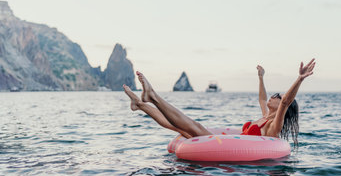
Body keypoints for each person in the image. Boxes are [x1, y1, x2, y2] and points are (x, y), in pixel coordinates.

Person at [123, 59, 315, 145]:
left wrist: (299, 79)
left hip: (235, 158)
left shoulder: (274, 126)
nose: (273, 97)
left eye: (277, 96)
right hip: (229, 145)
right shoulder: (265, 116)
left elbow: (285, 102)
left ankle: (153, 97)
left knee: (193, 125)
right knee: (179, 127)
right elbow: (262, 98)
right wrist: (261, 77)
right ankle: (140, 105)